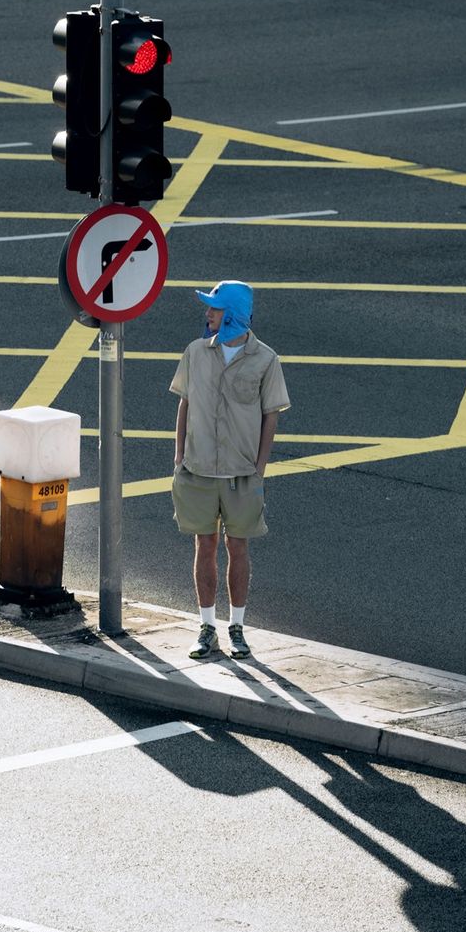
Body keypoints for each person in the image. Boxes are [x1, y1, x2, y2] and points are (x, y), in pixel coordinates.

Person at [169, 281, 290, 660]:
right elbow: (184, 405)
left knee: (237, 547)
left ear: (233, 314)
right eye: (209, 308)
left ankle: (237, 627)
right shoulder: (194, 352)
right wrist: (178, 459)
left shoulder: (265, 360)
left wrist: (259, 468)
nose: (207, 314)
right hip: (198, 469)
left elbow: (271, 416)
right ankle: (207, 628)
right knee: (203, 546)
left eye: (215, 309)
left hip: (241, 474)